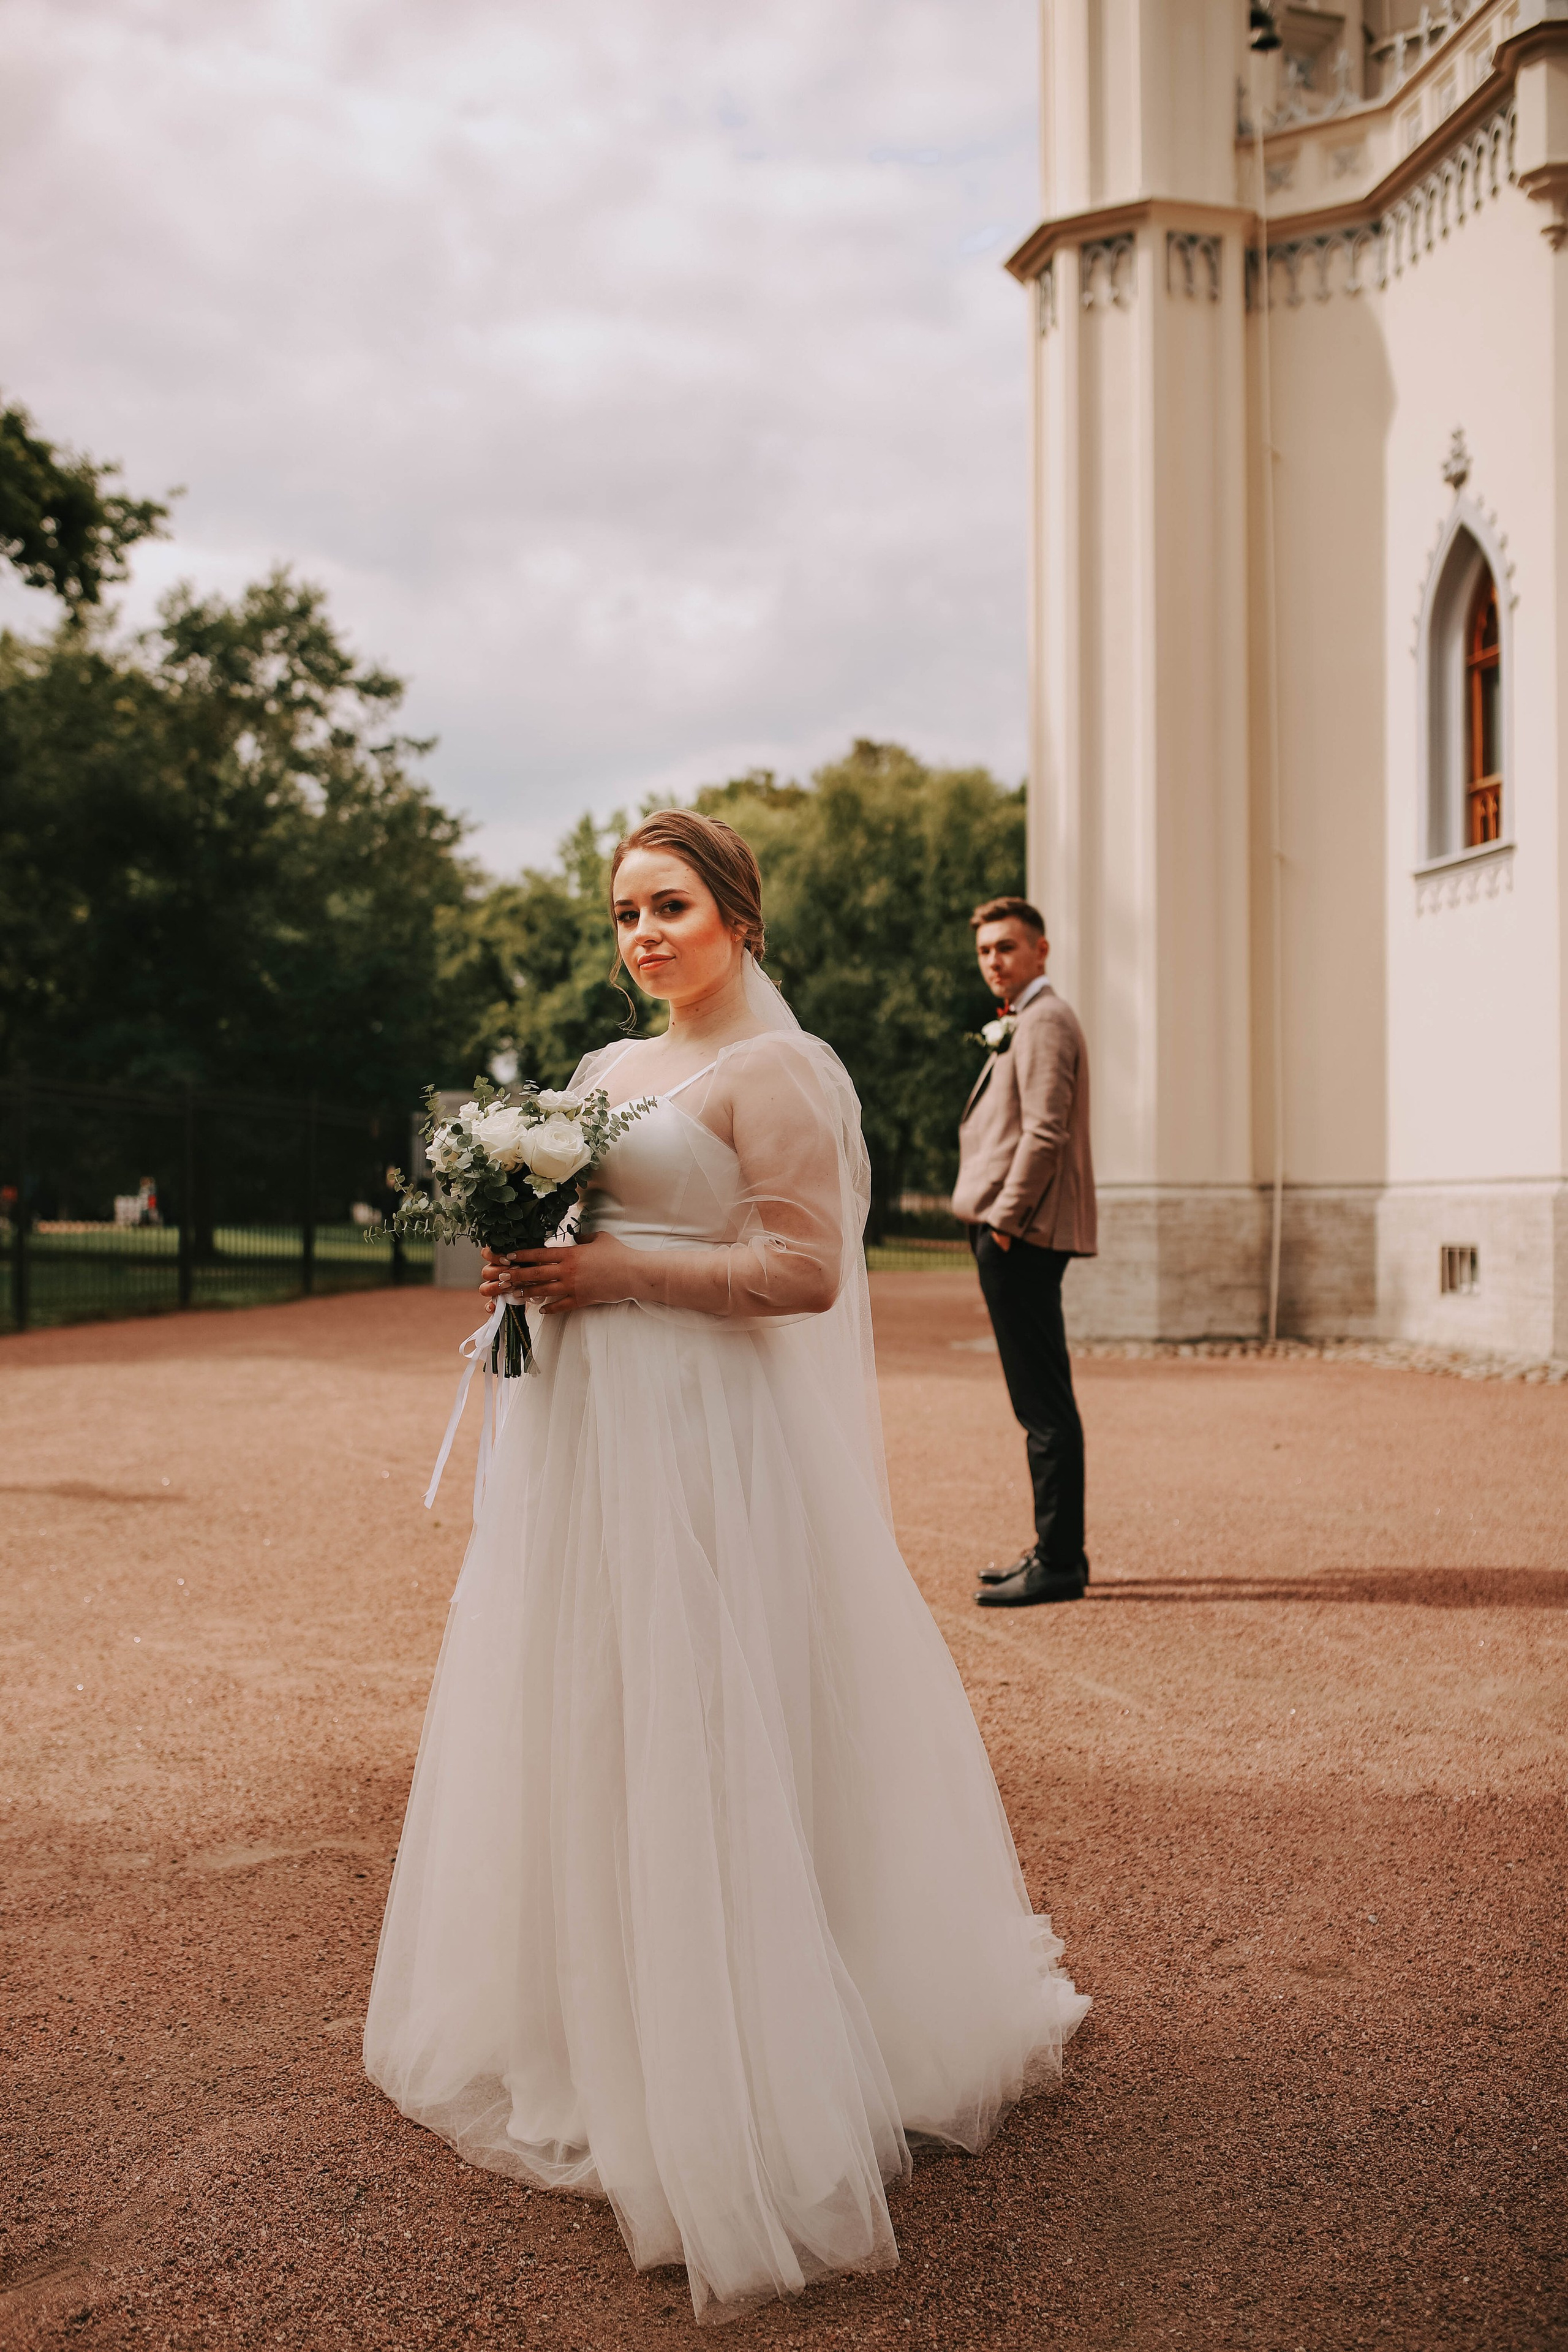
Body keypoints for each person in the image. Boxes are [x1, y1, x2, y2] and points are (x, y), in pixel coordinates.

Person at [363, 815, 1088, 2323]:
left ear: (737, 917)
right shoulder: (601, 1072)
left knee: (717, 1703)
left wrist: (613, 1272)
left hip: (706, 1439)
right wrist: (522, 1267)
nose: (642, 933)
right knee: (596, 1704)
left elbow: (803, 1272)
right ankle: (597, 2016)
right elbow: (571, 1217)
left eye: (670, 905)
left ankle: (760, 2028)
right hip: (584, 1437)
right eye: (624, 910)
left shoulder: (780, 1073)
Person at [952, 897, 1096, 1609]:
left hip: (1023, 1232)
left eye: (1006, 947)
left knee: (1042, 1405)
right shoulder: (1024, 1020)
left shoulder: (1044, 1021)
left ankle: (1061, 1562)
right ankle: (1054, 1547)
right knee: (1039, 1399)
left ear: (1041, 951)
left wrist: (1004, 1223)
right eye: (984, 951)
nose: (994, 961)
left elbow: (1046, 1134)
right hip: (1019, 1229)